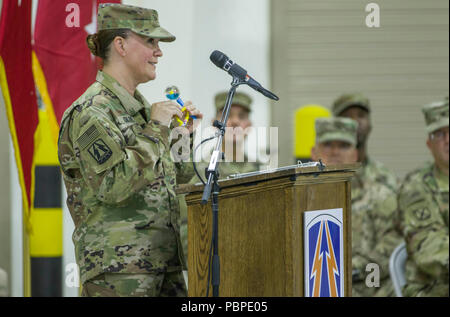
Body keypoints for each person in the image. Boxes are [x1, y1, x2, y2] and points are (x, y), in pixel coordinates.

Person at [58, 3, 202, 297]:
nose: (158, 51)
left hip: (164, 266)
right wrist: (157, 129)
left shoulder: (142, 111)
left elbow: (179, 180)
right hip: (119, 273)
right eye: (150, 41)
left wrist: (181, 138)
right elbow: (114, 185)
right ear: (120, 45)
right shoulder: (91, 113)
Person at [311, 117, 400, 297]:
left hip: (367, 289)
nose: (335, 152)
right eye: (328, 144)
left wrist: (346, 270)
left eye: (344, 145)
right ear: (314, 152)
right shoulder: (300, 198)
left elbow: (392, 246)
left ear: (356, 155)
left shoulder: (380, 196)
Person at [179, 91, 260, 265]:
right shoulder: (199, 172)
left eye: (241, 116)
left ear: (249, 126)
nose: (235, 121)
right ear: (215, 124)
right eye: (227, 115)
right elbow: (187, 227)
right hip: (213, 263)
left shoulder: (263, 172)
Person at [396, 99, 449, 297]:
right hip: (433, 289)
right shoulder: (415, 186)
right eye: (440, 134)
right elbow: (430, 249)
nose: (448, 140)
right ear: (429, 144)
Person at [332, 93, 397, 192]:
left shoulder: (387, 179)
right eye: (347, 116)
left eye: (361, 115)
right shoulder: (321, 178)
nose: (355, 121)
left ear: (370, 125)